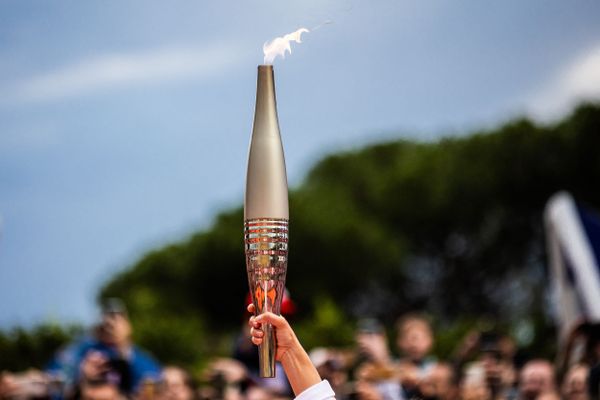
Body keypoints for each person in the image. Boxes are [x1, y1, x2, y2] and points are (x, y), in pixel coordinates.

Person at [46, 298, 162, 398]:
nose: (110, 324)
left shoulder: (141, 359)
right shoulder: (79, 351)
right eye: (106, 318)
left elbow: (153, 387)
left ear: (128, 326)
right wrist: (81, 375)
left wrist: (124, 347)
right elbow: (53, 382)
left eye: (117, 318)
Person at [247, 304, 335, 400]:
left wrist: (289, 349)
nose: (284, 320)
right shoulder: (248, 352)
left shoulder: (296, 346)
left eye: (287, 316)